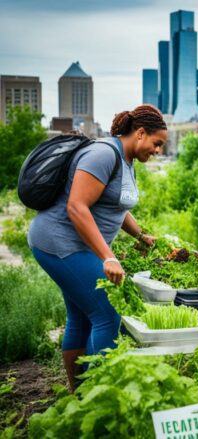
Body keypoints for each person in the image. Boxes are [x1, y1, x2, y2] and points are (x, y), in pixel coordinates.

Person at [27, 105, 166, 392]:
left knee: (81, 317)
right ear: (140, 133)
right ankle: (96, 395)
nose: (158, 151)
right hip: (59, 243)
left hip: (78, 247)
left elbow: (118, 205)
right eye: (157, 143)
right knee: (107, 314)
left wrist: (142, 236)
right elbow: (76, 206)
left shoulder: (126, 161)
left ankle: (77, 395)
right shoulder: (103, 154)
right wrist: (108, 256)